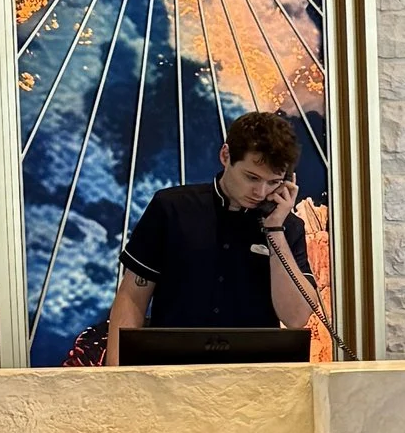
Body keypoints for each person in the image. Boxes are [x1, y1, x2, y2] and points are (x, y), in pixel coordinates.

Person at [106, 111, 319, 361]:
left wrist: (275, 231)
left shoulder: (288, 226)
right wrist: (117, 376)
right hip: (170, 370)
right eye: (251, 177)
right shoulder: (172, 207)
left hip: (254, 376)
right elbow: (133, 296)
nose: (260, 192)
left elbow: (295, 318)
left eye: (273, 182)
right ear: (226, 155)